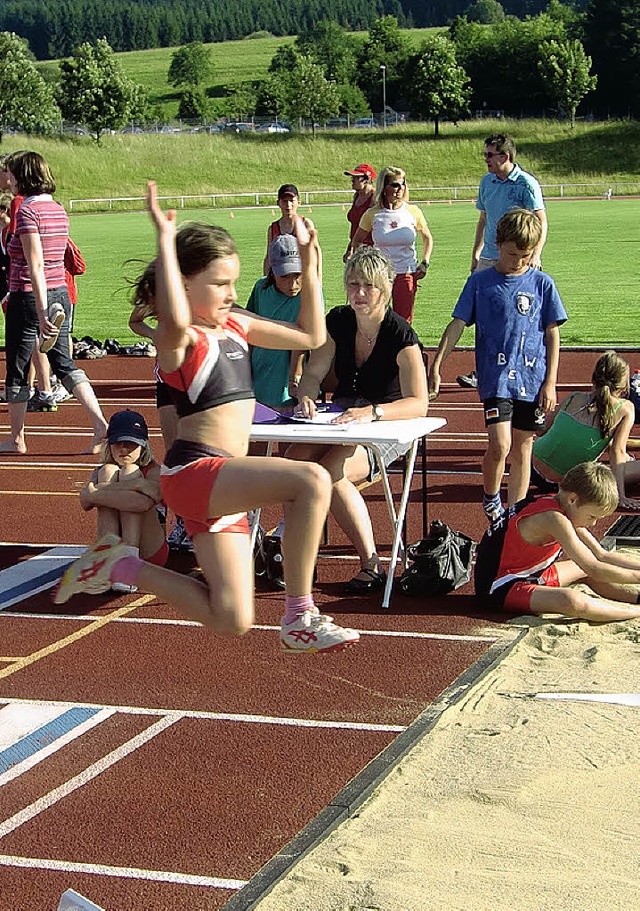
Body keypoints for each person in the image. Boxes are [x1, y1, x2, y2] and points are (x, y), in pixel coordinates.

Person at [56, 181, 360, 655]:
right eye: (219, 283)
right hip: (195, 472)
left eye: (233, 282)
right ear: (184, 284)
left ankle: (121, 565)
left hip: (222, 484)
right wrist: (164, 241)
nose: (230, 293)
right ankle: (300, 614)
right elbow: (175, 318)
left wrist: (313, 262)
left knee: (231, 617)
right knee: (312, 480)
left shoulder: (236, 322)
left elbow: (310, 335)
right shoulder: (180, 342)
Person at [287, 244, 428, 592]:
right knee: (291, 463)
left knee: (330, 472)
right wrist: (306, 394)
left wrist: (374, 413)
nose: (359, 293)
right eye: (353, 284)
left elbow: (419, 403)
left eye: (368, 285)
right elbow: (314, 372)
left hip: (388, 428)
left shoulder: (401, 336)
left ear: (385, 288)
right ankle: (294, 555)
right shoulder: (338, 321)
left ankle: (372, 565)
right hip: (340, 418)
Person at [429, 208, 567, 522]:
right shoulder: (481, 282)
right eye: (511, 253)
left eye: (525, 255)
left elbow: (552, 334)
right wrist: (437, 363)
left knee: (522, 447)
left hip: (531, 380)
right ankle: (492, 498)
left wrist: (550, 382)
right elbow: (457, 324)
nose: (517, 261)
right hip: (496, 379)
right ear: (498, 243)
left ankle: (515, 512)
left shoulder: (543, 284)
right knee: (500, 444)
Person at [0, 151, 107, 454]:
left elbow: (35, 264)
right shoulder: (58, 209)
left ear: (22, 176)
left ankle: (17, 439)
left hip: (29, 295)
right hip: (60, 290)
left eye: (10, 172)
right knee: (64, 361)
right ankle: (100, 425)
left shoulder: (27, 212)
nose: (7, 178)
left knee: (18, 366)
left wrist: (40, 307)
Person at [475, 461, 640, 622]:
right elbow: (594, 568)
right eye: (592, 516)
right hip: (500, 587)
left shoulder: (564, 506)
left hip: (531, 573)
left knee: (582, 569)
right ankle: (636, 611)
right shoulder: (553, 518)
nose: (593, 523)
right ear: (573, 499)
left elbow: (601, 555)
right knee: (573, 601)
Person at [460, 134, 547, 389]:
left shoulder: (526, 184)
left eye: (489, 155)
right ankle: (483, 369)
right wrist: (475, 253)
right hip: (489, 257)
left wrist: (535, 254)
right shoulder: (486, 182)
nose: (485, 159)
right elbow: (483, 219)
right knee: (486, 316)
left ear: (504, 157)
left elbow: (541, 222)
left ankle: (523, 365)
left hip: (518, 259)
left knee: (519, 315)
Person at [532, 351, 640, 510]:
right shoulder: (626, 409)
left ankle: (628, 460)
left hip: (532, 469)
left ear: (593, 379)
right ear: (624, 387)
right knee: (627, 464)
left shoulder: (573, 397)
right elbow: (616, 453)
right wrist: (620, 496)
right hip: (567, 484)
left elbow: (541, 431)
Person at [80, 409, 168, 592]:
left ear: (143, 445)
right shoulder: (101, 471)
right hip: (116, 541)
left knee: (129, 471)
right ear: (109, 444)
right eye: (119, 443)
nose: (124, 449)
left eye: (131, 444)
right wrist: (137, 486)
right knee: (108, 471)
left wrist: (96, 493)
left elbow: (142, 504)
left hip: (150, 550)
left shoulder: (153, 471)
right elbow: (84, 502)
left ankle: (129, 562)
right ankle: (107, 561)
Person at [350, 166, 433, 324]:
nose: (399, 188)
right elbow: (357, 240)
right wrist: (366, 263)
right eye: (395, 185)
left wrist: (424, 262)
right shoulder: (372, 214)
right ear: (384, 187)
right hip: (380, 275)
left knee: (403, 320)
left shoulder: (413, 211)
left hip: (406, 272)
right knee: (377, 318)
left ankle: (404, 348)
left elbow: (427, 238)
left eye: (402, 184)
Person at [247, 233, 306, 408]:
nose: (293, 284)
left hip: (288, 378)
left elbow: (303, 338)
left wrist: (294, 376)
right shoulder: (260, 288)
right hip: (260, 370)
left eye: (297, 275)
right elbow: (250, 329)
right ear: (272, 271)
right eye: (285, 277)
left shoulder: (309, 293)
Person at [263, 184, 322, 281]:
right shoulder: (273, 228)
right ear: (278, 203)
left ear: (298, 202)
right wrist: (265, 278)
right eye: (284, 201)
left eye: (291, 201)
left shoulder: (306, 224)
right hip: (281, 279)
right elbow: (269, 256)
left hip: (303, 276)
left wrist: (318, 276)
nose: (288, 205)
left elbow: (316, 251)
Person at [342, 163, 376, 263]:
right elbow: (355, 226)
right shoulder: (357, 196)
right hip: (356, 247)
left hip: (370, 249)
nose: (352, 180)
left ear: (367, 180)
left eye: (356, 178)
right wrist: (350, 248)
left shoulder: (375, 198)